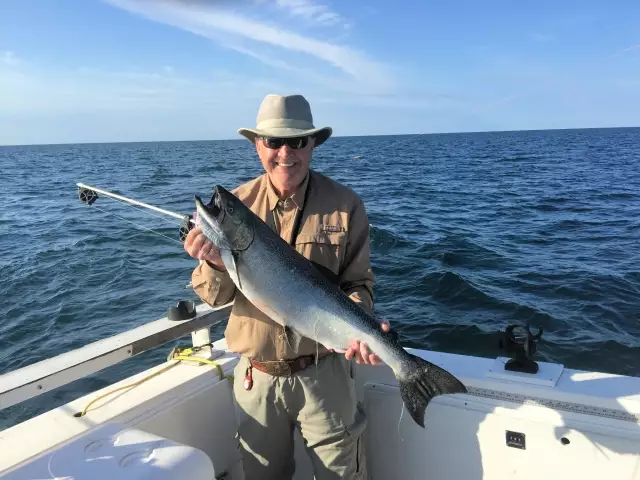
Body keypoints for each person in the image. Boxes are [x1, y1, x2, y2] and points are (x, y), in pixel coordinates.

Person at [184, 93, 389, 480]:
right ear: (257, 145)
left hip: (326, 376)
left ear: (312, 144)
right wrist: (212, 260)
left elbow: (359, 284)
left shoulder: (346, 205)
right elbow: (216, 296)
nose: (285, 153)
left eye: (297, 141)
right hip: (256, 379)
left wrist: (360, 323)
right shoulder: (237, 205)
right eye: (273, 141)